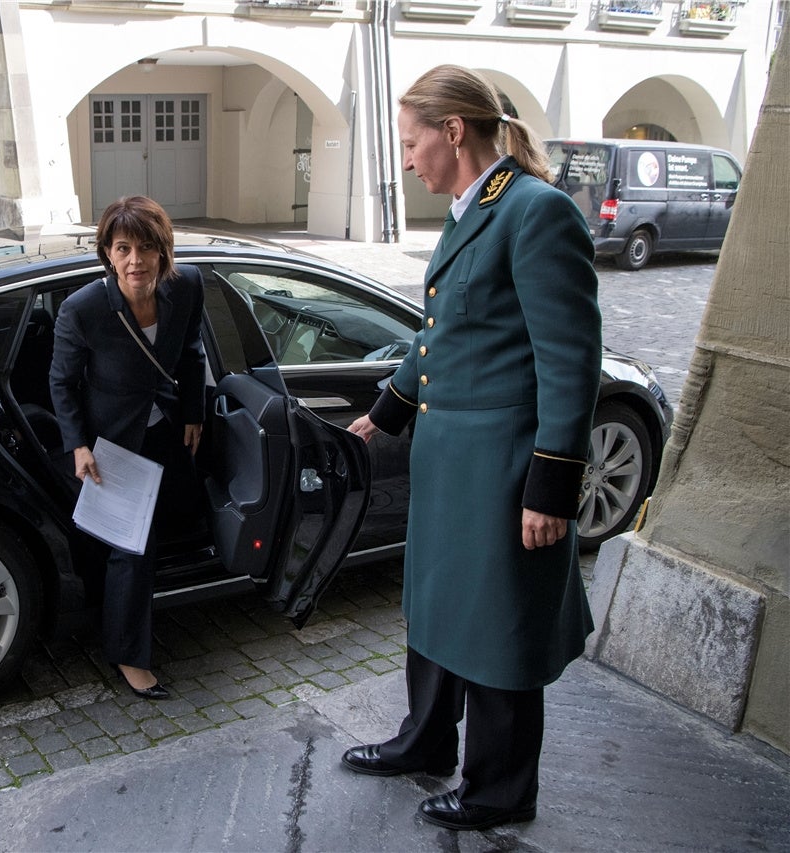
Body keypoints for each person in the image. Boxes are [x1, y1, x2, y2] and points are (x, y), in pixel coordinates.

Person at [340, 64, 602, 832]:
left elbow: (570, 359)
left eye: (413, 142)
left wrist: (551, 483)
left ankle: (499, 788)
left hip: (502, 468)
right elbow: (441, 334)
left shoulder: (535, 212)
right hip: (451, 461)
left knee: (499, 626)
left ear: (453, 132)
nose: (409, 159)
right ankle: (425, 741)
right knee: (438, 606)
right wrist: (388, 408)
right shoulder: (466, 214)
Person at [49, 196, 207, 701]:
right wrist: (78, 445)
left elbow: (191, 352)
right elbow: (62, 383)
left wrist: (195, 412)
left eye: (146, 248)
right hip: (113, 445)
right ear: (108, 254)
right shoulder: (84, 309)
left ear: (163, 252)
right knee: (131, 551)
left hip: (166, 432)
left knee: (155, 535)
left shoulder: (188, 287)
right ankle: (128, 655)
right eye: (123, 249)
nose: (136, 260)